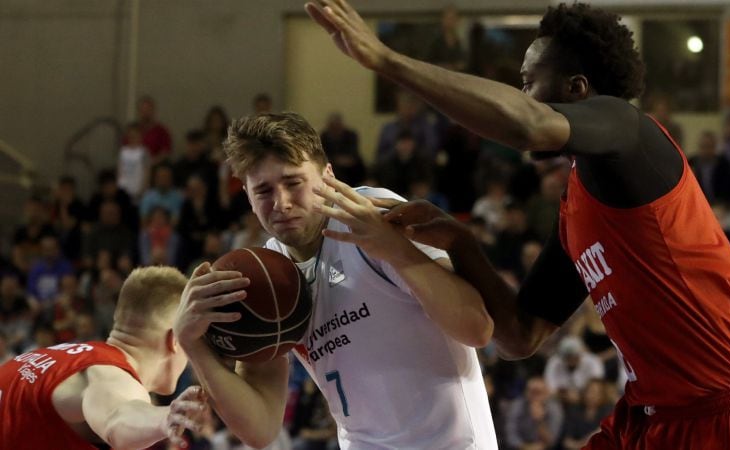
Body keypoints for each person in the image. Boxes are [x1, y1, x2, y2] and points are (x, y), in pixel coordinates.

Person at [306, 1, 730, 448]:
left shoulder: (632, 134)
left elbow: (526, 125)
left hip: (727, 410)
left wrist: (386, 60)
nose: (521, 94)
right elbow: (519, 335)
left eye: (528, 83)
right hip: (653, 414)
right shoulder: (577, 205)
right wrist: (460, 242)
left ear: (576, 89)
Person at [173, 112, 496, 449]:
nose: (280, 203)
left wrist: (397, 250)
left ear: (328, 175)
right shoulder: (266, 273)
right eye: (264, 190)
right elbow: (261, 429)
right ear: (248, 197)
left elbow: (477, 328)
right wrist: (193, 343)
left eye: (293, 182)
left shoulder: (372, 214)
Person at [0, 266, 207, 449]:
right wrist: (164, 418)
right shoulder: (110, 373)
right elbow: (117, 417)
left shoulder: (55, 356)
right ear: (176, 340)